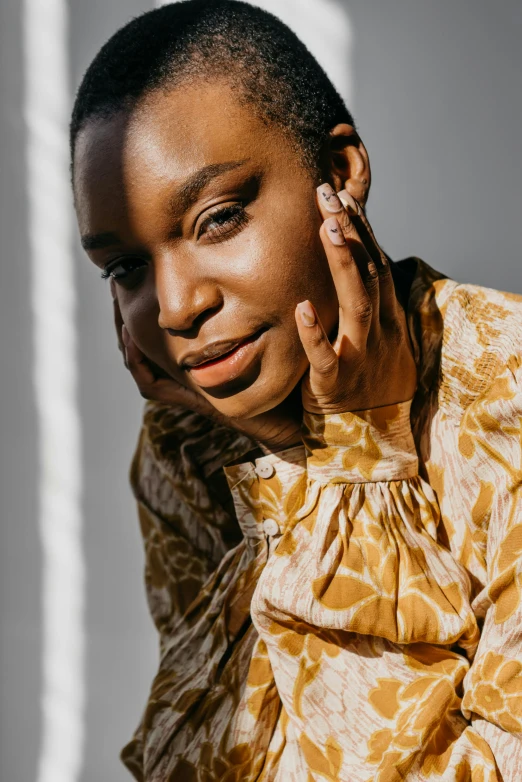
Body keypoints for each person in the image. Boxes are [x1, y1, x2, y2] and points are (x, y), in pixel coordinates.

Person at [70, 1, 522, 779]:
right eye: (125, 268)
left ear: (341, 172)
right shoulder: (191, 444)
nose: (176, 308)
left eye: (216, 219)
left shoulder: (506, 400)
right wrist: (292, 448)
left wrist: (362, 460)